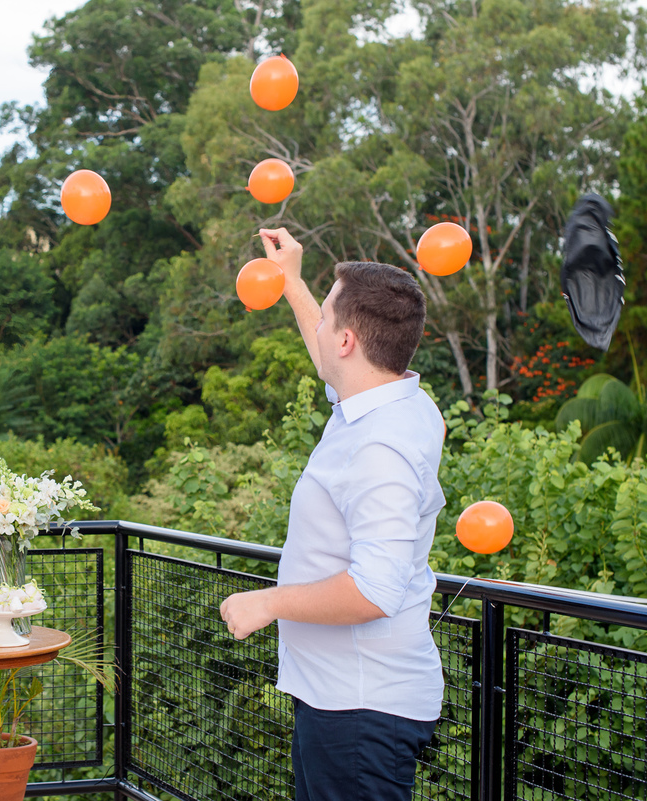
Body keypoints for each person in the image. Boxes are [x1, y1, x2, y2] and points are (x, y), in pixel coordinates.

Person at [220, 228, 445, 801]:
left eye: (324, 317)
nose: (316, 328)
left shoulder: (381, 446)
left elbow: (375, 590)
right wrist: (294, 284)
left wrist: (267, 602)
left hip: (363, 710)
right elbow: (329, 362)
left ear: (348, 340)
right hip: (343, 698)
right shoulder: (393, 402)